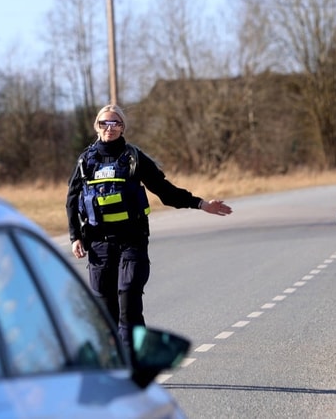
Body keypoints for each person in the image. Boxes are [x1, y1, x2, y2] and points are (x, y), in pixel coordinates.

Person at [66, 103, 233, 348]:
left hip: (131, 241)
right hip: (99, 244)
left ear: (123, 128)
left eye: (116, 123)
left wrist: (201, 204)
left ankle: (134, 364)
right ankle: (114, 362)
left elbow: (165, 191)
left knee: (128, 300)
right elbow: (72, 200)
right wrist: (75, 237)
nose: (109, 128)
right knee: (106, 309)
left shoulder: (133, 158)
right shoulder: (85, 161)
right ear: (97, 126)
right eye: (105, 123)